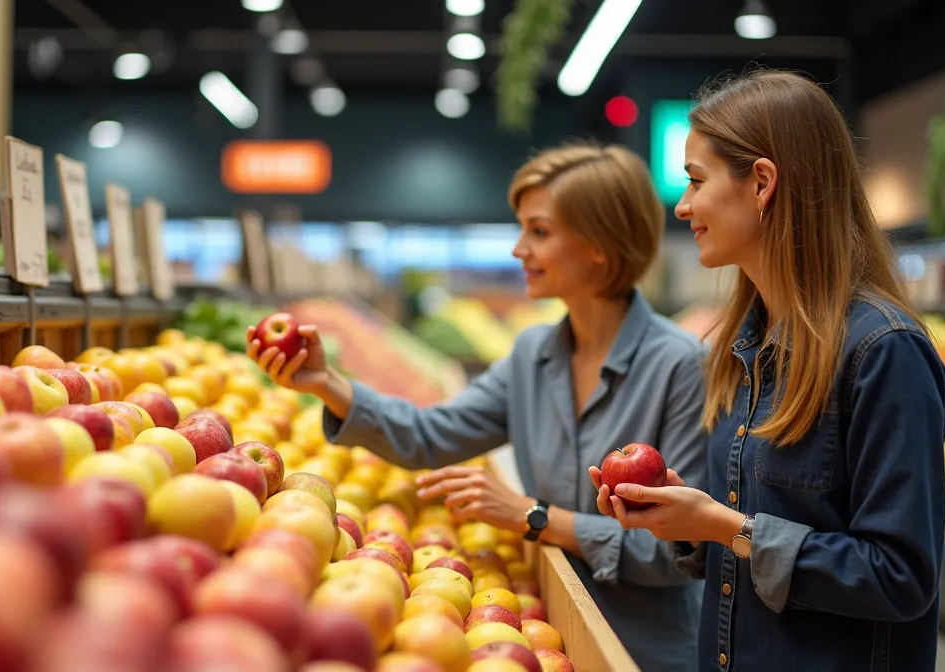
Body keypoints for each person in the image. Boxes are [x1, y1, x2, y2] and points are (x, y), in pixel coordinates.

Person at [248, 143, 708, 672]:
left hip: (645, 651)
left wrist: (533, 516)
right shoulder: (533, 355)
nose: (518, 249)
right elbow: (431, 435)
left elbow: (674, 553)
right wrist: (326, 382)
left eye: (539, 231)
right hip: (549, 630)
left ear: (599, 245)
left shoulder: (680, 365)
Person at [589, 70, 945, 671]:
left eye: (696, 180)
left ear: (761, 182)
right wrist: (690, 523)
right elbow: (751, 538)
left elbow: (900, 576)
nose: (682, 205)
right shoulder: (742, 347)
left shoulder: (884, 353)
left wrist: (726, 526)